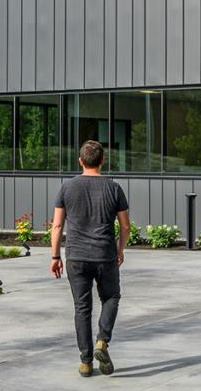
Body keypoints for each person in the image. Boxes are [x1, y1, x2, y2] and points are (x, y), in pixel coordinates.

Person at [50, 140, 131, 378]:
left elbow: (57, 225)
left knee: (82, 308)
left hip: (76, 256)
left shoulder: (67, 187)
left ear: (81, 161)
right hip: (104, 254)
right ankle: (102, 341)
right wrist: (120, 249)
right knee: (111, 297)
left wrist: (55, 256)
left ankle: (86, 362)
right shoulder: (114, 188)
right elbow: (125, 227)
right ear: (102, 161)